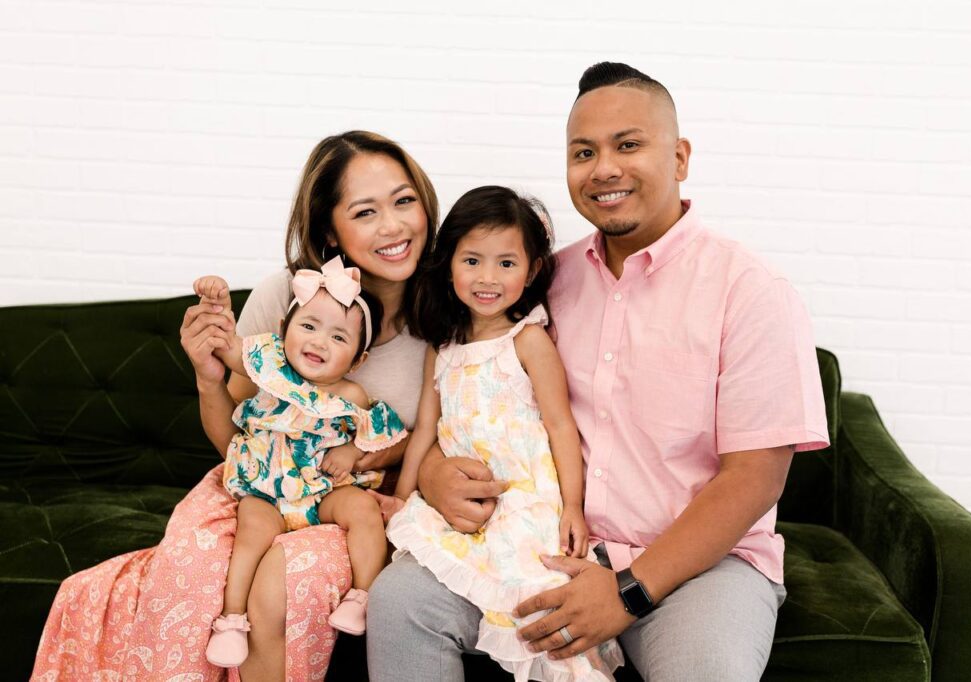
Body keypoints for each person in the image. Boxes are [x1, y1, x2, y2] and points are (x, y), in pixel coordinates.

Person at [367, 63, 829, 681]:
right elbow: (475, 391)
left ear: (680, 158)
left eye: (628, 145)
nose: (604, 168)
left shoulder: (749, 290)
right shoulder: (542, 282)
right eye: (584, 152)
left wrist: (628, 590)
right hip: (539, 540)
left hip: (698, 567)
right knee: (402, 600)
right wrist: (431, 471)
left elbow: (755, 479)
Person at [33, 131, 441, 682]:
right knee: (188, 577)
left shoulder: (451, 308)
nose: (393, 226)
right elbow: (238, 438)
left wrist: (374, 459)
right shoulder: (284, 296)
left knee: (279, 585)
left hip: (360, 500)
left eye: (404, 200)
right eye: (365, 211)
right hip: (267, 482)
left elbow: (446, 435)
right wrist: (209, 381)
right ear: (329, 229)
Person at [380, 186, 623, 681]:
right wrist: (402, 498)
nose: (487, 278)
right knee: (424, 572)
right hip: (461, 505)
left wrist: (573, 507)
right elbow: (426, 429)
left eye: (506, 264)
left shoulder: (528, 340)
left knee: (532, 598)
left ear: (531, 271)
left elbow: (560, 426)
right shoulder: (442, 347)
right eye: (472, 260)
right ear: (449, 264)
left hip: (522, 497)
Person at [193, 262, 407, 667]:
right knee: (251, 529)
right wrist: (217, 305)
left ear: (357, 359)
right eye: (308, 326)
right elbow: (227, 347)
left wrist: (352, 453)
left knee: (362, 509)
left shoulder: (352, 395)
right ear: (282, 329)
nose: (319, 342)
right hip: (266, 489)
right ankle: (232, 619)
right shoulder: (270, 367)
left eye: (338, 336)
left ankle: (362, 597)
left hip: (322, 491)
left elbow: (384, 436)